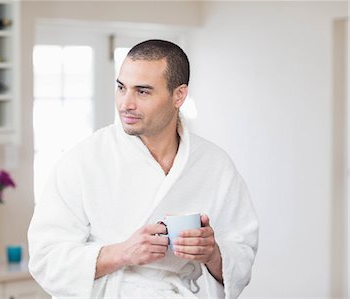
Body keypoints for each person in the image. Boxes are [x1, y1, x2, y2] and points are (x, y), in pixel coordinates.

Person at [28, 39, 259, 298]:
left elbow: (242, 254)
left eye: (142, 91)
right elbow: (45, 259)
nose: (126, 103)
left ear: (178, 95)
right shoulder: (83, 159)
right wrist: (122, 253)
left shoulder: (214, 164)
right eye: (121, 88)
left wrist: (212, 253)